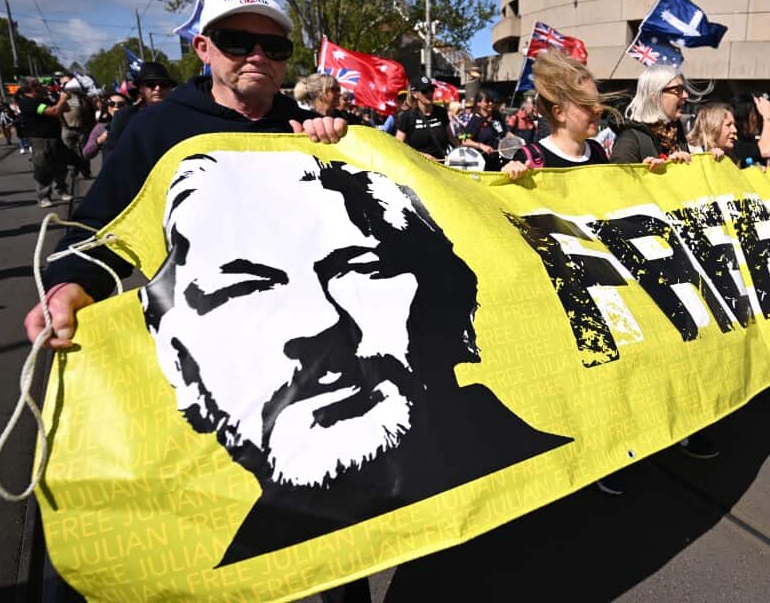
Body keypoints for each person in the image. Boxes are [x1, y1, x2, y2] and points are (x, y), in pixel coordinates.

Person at [141, 150, 569, 566]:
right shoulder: (220, 565)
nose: (316, 321)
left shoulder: (551, 487)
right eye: (247, 288)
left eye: (359, 269)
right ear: (177, 356)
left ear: (442, 296)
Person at [24, 0, 348, 352]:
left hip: (311, 324)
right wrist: (69, 284)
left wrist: (337, 151)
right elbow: (104, 224)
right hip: (207, 332)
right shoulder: (157, 127)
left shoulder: (308, 128)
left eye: (274, 47)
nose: (258, 56)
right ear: (203, 49)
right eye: (236, 42)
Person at [501, 49, 610, 178]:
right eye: (587, 103)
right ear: (560, 113)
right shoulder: (530, 159)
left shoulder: (597, 150)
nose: (599, 109)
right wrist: (510, 176)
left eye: (598, 101)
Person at [609, 64, 697, 170]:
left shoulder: (675, 132)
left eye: (684, 89)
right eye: (678, 90)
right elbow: (620, 184)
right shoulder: (629, 141)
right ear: (655, 97)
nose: (685, 95)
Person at [16, 78, 72, 205]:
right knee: (43, 168)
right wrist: (62, 100)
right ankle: (43, 196)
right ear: (31, 87)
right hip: (41, 139)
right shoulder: (27, 102)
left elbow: (66, 109)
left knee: (61, 166)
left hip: (55, 137)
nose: (41, 86)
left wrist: (60, 98)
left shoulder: (43, 99)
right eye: (37, 84)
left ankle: (62, 189)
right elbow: (53, 111)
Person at [103, 62, 177, 155]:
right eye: (151, 84)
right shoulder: (124, 117)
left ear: (170, 89)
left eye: (163, 84)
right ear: (141, 88)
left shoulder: (180, 116)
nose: (158, 88)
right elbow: (110, 155)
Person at [394, 74, 454, 161]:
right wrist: (422, 155)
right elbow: (398, 145)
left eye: (431, 89)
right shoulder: (407, 116)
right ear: (415, 94)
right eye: (425, 91)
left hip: (442, 167)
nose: (429, 93)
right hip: (418, 167)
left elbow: (451, 138)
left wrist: (464, 150)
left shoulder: (441, 112)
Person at [59, 77, 95, 179]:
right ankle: (73, 171)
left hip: (81, 129)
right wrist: (64, 124)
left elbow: (90, 113)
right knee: (69, 153)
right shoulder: (61, 98)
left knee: (84, 152)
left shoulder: (83, 98)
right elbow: (58, 112)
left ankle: (86, 172)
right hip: (67, 130)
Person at [729, 94, 770, 168]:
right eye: (757, 115)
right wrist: (768, 116)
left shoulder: (751, 140)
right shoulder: (732, 143)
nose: (760, 120)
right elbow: (765, 150)